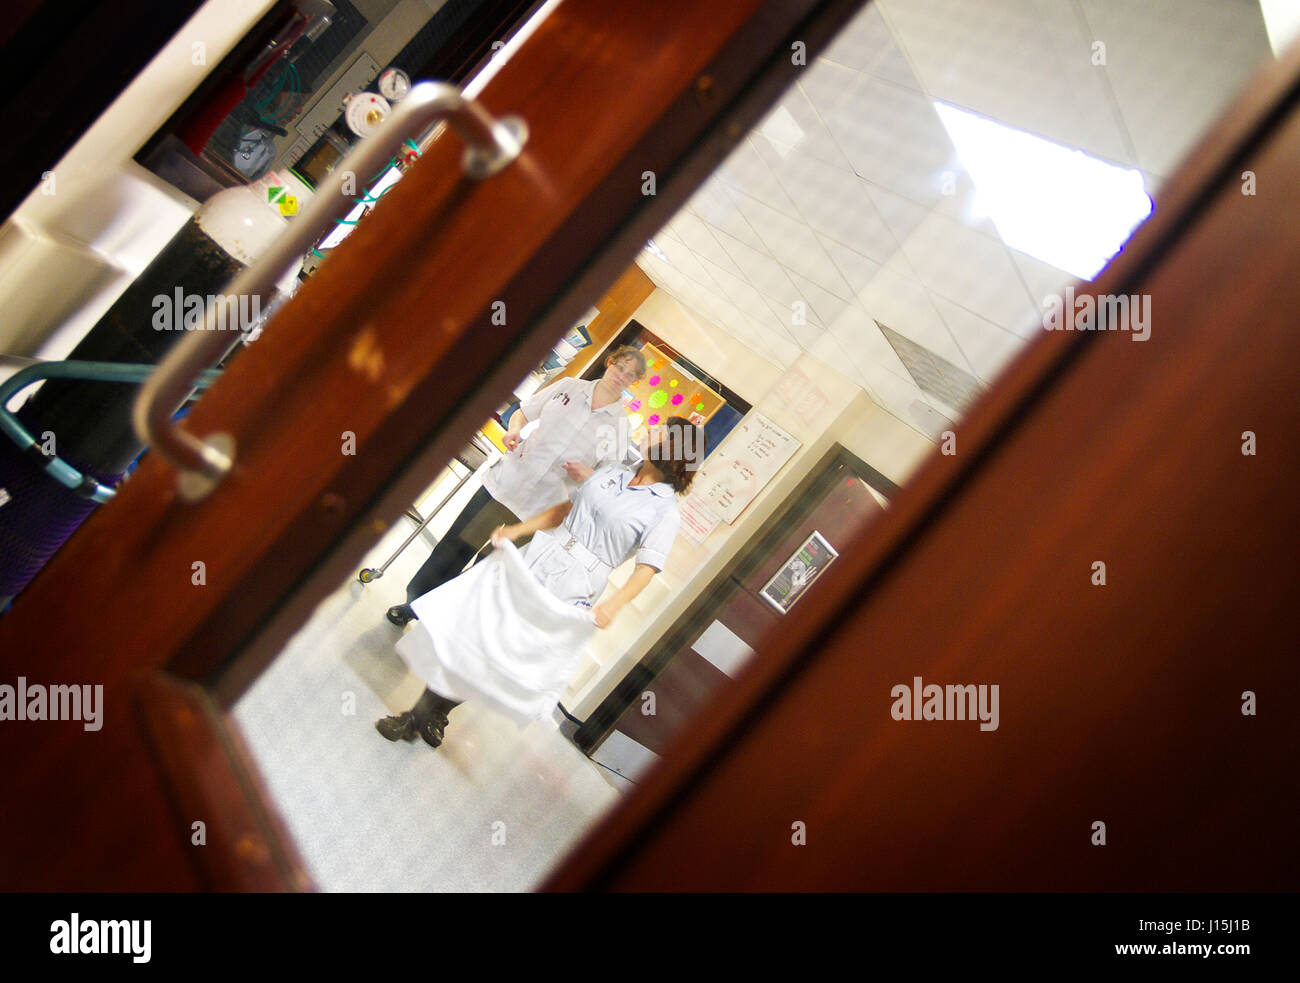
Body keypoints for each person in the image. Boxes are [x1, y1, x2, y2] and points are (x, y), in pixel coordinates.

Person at [376, 416, 707, 748]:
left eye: (659, 432)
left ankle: (437, 711)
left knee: (509, 652)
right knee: (481, 629)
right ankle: (420, 713)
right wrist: (518, 531)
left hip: (577, 584)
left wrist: (614, 606)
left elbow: (647, 569)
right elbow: (564, 509)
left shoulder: (664, 511)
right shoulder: (613, 472)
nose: (649, 432)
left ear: (673, 450)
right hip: (540, 554)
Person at [385, 344, 647, 626]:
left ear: (635, 382)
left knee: (487, 569)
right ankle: (414, 605)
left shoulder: (618, 427)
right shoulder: (569, 388)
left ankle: (442, 624)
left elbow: (605, 482)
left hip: (539, 511)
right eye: (621, 367)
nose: (622, 376)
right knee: (455, 547)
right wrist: (514, 430)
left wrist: (587, 476)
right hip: (506, 484)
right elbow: (523, 412)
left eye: (630, 375)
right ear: (610, 362)